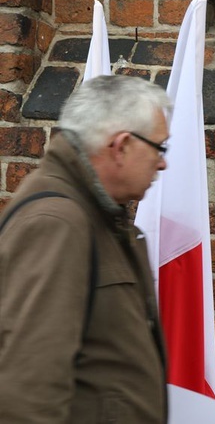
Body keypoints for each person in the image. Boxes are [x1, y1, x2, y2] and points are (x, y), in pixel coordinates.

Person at [0, 74, 171, 423]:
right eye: (159, 147)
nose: (162, 162)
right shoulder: (57, 222)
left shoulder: (98, 216)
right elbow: (28, 387)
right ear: (121, 145)